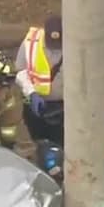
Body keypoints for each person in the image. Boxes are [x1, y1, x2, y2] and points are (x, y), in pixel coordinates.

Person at [13, 15, 65, 146]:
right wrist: (31, 93)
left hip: (64, 105)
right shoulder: (31, 42)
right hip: (35, 103)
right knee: (40, 142)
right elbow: (20, 72)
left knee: (62, 143)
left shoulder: (75, 43)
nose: (55, 48)